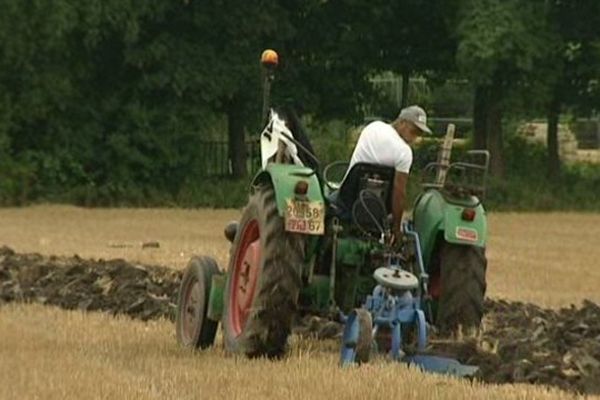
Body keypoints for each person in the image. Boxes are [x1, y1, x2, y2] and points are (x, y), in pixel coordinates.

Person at [346, 105, 431, 241]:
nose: (415, 138)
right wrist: (396, 229)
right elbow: (399, 192)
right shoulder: (404, 153)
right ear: (402, 122)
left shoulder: (373, 127)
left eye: (419, 134)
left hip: (348, 198)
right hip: (380, 210)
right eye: (414, 131)